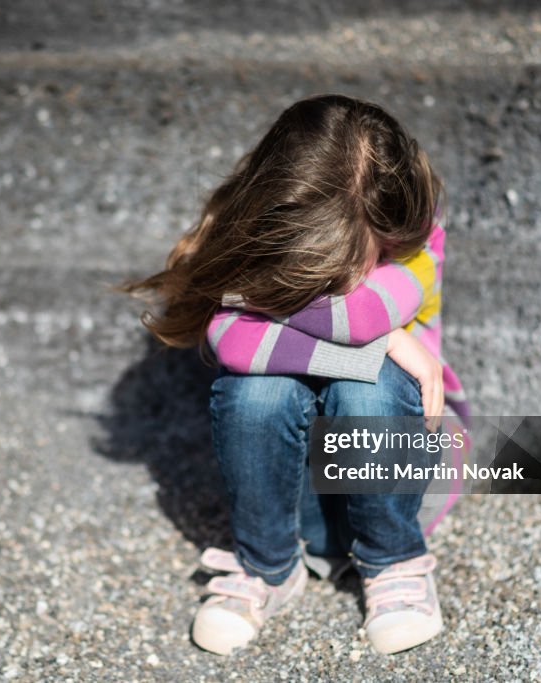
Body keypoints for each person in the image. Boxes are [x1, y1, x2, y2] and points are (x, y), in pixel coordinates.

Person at [125, 94, 468, 656]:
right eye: (324, 270)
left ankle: (393, 559)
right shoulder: (262, 238)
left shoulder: (414, 236)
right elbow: (228, 341)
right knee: (256, 390)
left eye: (350, 265)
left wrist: (260, 301)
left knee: (373, 384)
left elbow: (360, 316)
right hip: (294, 492)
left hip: (398, 475)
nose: (348, 279)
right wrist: (382, 343)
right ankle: (269, 565)